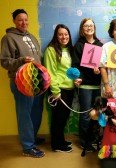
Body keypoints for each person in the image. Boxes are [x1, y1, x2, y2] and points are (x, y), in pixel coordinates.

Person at [0, 9, 45, 158]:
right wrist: (21, 60)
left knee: (36, 111)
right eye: (20, 20)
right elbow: (5, 62)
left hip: (37, 81)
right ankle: (27, 146)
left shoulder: (32, 37)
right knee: (24, 113)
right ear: (14, 21)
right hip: (21, 82)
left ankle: (31, 137)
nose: (23, 22)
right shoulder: (8, 38)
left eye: (26, 19)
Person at [72, 18, 103, 151]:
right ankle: (84, 141)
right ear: (82, 29)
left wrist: (98, 71)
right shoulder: (78, 45)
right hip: (85, 86)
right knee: (85, 114)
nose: (89, 28)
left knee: (96, 113)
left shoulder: (100, 45)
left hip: (97, 85)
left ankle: (94, 138)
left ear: (94, 28)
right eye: (86, 26)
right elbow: (75, 65)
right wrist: (79, 78)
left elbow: (103, 66)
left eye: (91, 25)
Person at [44, 24, 75, 152]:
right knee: (58, 118)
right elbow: (50, 72)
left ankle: (60, 140)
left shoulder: (69, 50)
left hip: (70, 88)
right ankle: (56, 145)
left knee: (63, 117)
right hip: (59, 90)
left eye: (66, 34)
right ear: (56, 36)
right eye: (60, 34)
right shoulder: (51, 50)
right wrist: (55, 91)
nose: (64, 37)